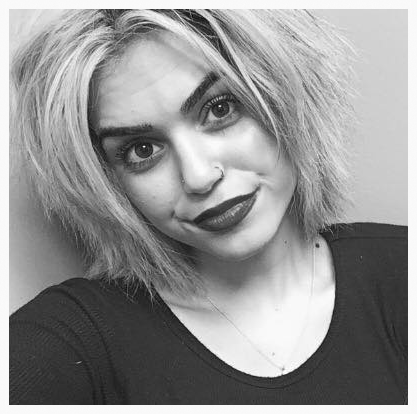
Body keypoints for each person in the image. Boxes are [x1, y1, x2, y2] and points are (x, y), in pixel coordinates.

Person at [9, 9, 407, 404]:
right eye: (142, 150)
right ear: (107, 181)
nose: (199, 176)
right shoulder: (74, 340)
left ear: (286, 95)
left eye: (220, 109)